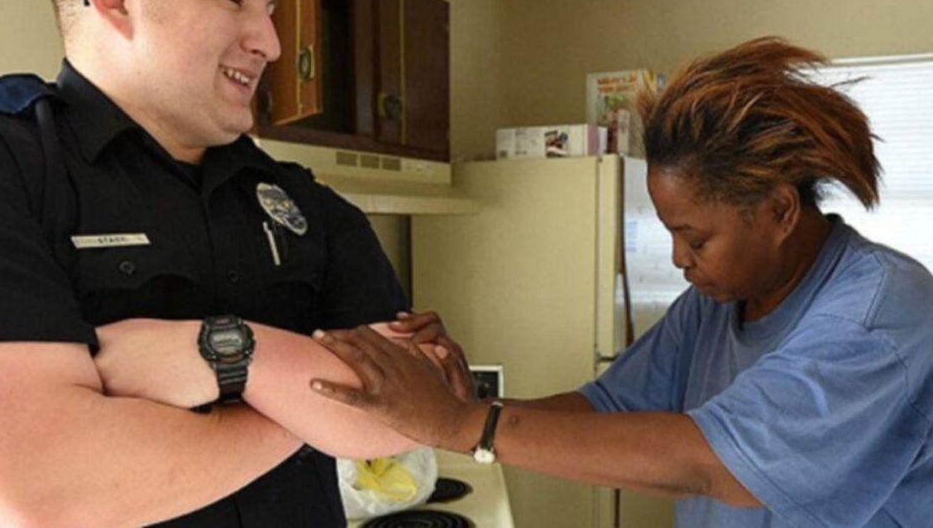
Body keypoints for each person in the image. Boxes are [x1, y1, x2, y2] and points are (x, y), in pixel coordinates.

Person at [0, 0, 469, 527]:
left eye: (269, 9)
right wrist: (310, 405)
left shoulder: (305, 203)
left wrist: (229, 354)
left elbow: (416, 405)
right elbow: (50, 490)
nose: (268, 40)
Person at [310, 37, 933, 527]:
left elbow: (714, 463)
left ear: (778, 209)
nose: (680, 259)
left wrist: (463, 427)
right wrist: (466, 406)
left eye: (696, 237)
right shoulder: (716, 303)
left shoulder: (878, 315)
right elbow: (607, 406)